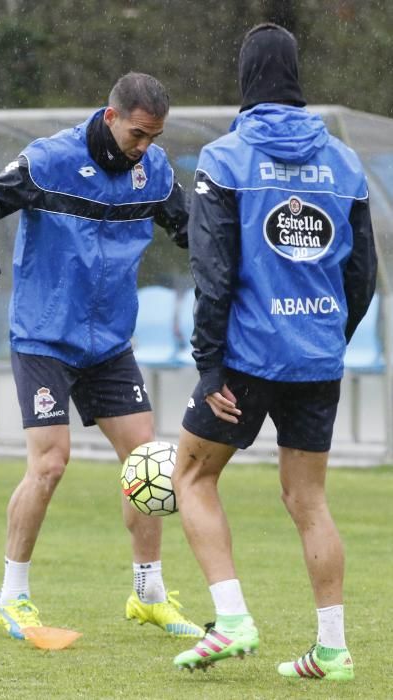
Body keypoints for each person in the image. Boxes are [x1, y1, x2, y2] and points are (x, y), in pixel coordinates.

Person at [0, 72, 204, 642]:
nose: (145, 146)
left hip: (109, 343)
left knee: (147, 465)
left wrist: (215, 250)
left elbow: (187, 225)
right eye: (139, 133)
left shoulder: (155, 168)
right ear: (111, 116)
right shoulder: (50, 160)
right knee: (49, 463)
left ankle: (148, 595)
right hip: (44, 335)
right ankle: (11, 597)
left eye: (155, 136)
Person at [171, 24, 377, 681]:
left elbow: (215, 272)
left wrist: (208, 366)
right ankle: (334, 648)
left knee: (192, 477)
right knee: (309, 501)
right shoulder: (344, 163)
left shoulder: (225, 159)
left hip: (246, 359)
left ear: (245, 81)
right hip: (317, 357)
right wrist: (327, 341)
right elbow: (363, 275)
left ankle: (231, 620)